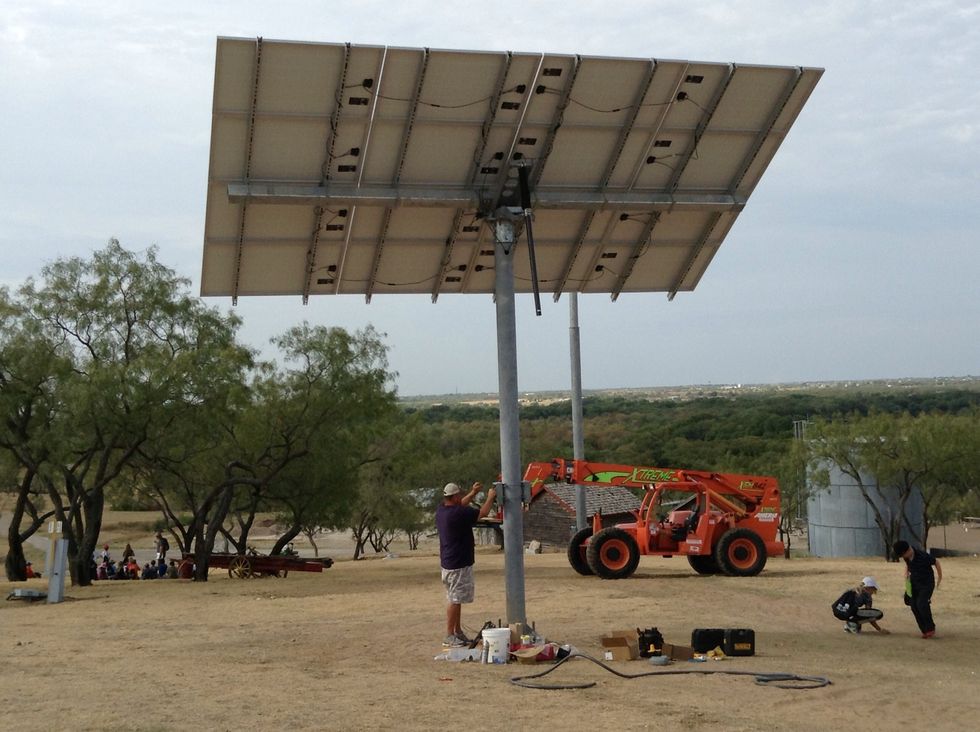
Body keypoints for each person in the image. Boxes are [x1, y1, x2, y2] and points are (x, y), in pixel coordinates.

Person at [435, 481, 496, 648]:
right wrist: (490, 497)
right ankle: (449, 635)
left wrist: (473, 492)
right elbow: (482, 512)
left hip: (449, 562)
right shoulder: (458, 514)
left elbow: (460, 504)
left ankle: (457, 632)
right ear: (454, 497)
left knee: (457, 597)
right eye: (459, 495)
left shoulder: (442, 510)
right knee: (454, 599)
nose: (462, 497)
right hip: (458, 563)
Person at [893, 540, 942, 638]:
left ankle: (930, 628)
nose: (903, 557)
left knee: (921, 603)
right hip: (914, 584)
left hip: (926, 584)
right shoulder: (907, 557)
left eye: (903, 555)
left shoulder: (923, 556)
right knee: (913, 605)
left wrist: (940, 577)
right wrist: (906, 573)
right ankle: (924, 630)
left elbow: (936, 562)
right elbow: (908, 565)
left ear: (907, 551)